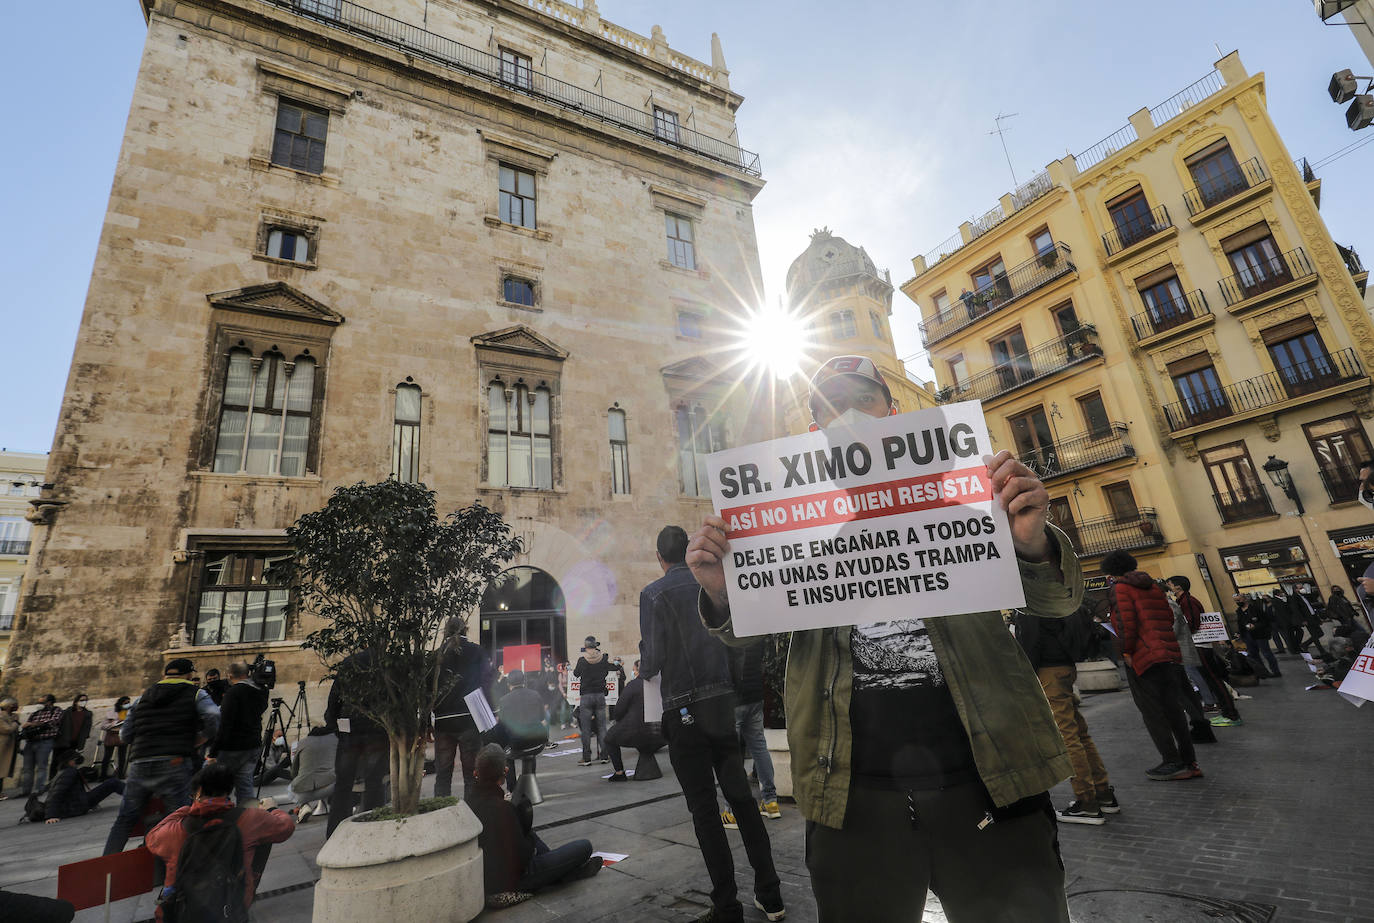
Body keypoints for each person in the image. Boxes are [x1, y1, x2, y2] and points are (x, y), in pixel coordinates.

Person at [691, 355, 1084, 923]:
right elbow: (749, 638)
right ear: (814, 436)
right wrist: (723, 594)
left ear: (895, 413)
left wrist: (1031, 542)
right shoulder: (792, 535)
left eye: (862, 399)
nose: (847, 416)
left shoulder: (971, 507)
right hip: (849, 798)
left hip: (989, 782)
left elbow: (1059, 601)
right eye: (828, 407)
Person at [643, 523, 785, 923]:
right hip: (722, 705)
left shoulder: (654, 594)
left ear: (659, 557)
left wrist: (645, 655)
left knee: (705, 810)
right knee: (741, 798)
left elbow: (652, 658)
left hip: (683, 708)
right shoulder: (714, 585)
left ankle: (726, 905)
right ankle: (771, 895)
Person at [146, 762, 295, 922]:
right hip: (233, 906)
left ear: (199, 791)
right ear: (229, 790)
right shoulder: (250, 818)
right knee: (264, 837)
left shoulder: (176, 830)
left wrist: (184, 809)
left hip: (183, 911)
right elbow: (286, 827)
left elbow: (151, 838)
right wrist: (272, 809)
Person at [103, 658, 221, 855]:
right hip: (174, 760)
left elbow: (125, 734)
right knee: (178, 818)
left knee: (126, 818)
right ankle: (180, 865)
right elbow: (214, 716)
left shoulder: (144, 697)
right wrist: (200, 739)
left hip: (140, 761)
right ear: (189, 675)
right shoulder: (196, 693)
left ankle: (107, 863)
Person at [466, 743, 602, 909]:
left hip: (488, 877)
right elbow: (523, 857)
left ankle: (564, 872)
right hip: (514, 878)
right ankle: (564, 874)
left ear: (476, 773)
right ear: (505, 772)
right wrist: (525, 830)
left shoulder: (469, 802)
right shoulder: (502, 809)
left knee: (532, 836)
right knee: (584, 847)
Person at [1103, 551, 1201, 782]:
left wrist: (1126, 650)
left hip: (1143, 655)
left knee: (1152, 711)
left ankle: (1171, 761)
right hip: (1167, 652)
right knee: (1174, 709)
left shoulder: (1121, 589)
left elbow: (1127, 625)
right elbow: (1168, 617)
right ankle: (1189, 761)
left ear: (1112, 571)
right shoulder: (1154, 587)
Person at [1015, 607, 1118, 825]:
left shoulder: (1030, 607)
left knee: (1067, 737)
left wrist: (1026, 676)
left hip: (1048, 672)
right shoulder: (1054, 600)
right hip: (1065, 667)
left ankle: (1087, 801)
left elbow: (1031, 645)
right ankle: (1103, 793)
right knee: (1080, 734)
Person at [324, 649, 389, 838]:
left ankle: (335, 831)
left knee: (343, 783)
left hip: (350, 728)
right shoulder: (385, 662)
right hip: (376, 729)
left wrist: (333, 722)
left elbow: (334, 697)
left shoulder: (349, 663)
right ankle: (372, 828)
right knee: (374, 782)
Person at [434, 615, 494, 800]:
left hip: (443, 719)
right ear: (465, 629)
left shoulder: (437, 654)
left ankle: (442, 812)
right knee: (471, 773)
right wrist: (491, 711)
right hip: (470, 716)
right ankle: (472, 812)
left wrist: (426, 722)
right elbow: (487, 681)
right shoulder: (477, 651)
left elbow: (430, 687)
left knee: (443, 773)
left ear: (446, 631)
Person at [1169, 576, 1242, 728]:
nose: (1168, 587)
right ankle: (1225, 712)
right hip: (1197, 644)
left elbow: (1193, 623)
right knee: (1210, 679)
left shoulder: (1188, 601)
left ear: (1178, 587)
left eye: (1170, 585)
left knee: (1214, 679)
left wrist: (1181, 633)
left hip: (1200, 645)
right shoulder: (1184, 601)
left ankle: (1232, 715)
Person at [722, 640, 780, 823]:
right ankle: (771, 802)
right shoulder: (753, 629)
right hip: (755, 695)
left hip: (734, 698)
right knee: (759, 748)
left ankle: (731, 811)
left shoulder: (726, 631)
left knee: (731, 753)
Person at [206, 661, 269, 804]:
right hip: (252, 744)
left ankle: (221, 815)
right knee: (245, 784)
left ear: (229, 675)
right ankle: (247, 818)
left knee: (219, 785)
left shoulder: (233, 692)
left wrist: (213, 752)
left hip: (233, 747)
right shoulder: (260, 691)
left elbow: (226, 723)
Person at [604, 660, 666, 782]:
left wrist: (621, 720)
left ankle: (619, 772)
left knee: (608, 738)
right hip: (662, 732)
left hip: (636, 731)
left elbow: (618, 711)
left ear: (639, 670)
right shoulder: (661, 684)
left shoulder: (633, 685)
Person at [494, 669, 549, 792]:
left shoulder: (504, 700)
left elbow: (502, 726)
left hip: (518, 744)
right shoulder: (535, 694)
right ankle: (530, 781)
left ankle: (512, 789)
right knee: (530, 751)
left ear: (509, 684)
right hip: (539, 742)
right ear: (524, 681)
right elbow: (542, 717)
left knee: (507, 755)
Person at [573, 636, 624, 766]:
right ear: (595, 646)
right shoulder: (603, 659)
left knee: (586, 729)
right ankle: (605, 755)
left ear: (586, 647)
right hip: (600, 695)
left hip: (586, 696)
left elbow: (576, 674)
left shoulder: (582, 660)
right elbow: (613, 667)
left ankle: (586, 757)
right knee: (602, 727)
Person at [43, 750, 125, 823]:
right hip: (76, 807)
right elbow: (56, 794)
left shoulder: (62, 772)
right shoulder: (69, 773)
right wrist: (51, 815)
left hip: (76, 803)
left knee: (111, 783)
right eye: (76, 760)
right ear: (70, 761)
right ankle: (134, 795)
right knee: (113, 783)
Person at [289, 725, 336, 823]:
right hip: (330, 787)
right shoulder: (335, 740)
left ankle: (304, 806)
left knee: (290, 789)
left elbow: (293, 772)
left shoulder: (301, 743)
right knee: (332, 777)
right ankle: (331, 804)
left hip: (302, 793)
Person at [19, 694, 63, 797]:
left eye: (42, 702)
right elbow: (27, 724)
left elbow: (53, 722)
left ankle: (39, 789)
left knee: (41, 767)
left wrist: (33, 724)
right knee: (27, 768)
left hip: (45, 742)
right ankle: (26, 791)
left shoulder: (56, 710)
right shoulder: (35, 713)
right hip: (31, 742)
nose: (39, 704)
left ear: (49, 702)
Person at [52, 694, 93, 778]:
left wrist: (82, 742)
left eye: (85, 700)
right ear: (76, 701)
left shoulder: (88, 714)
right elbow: (58, 723)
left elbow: (86, 729)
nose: (83, 702)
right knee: (56, 762)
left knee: (69, 763)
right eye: (81, 700)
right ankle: (52, 780)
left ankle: (64, 780)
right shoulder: (68, 711)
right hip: (62, 741)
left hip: (74, 743)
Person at [1239, 596, 1281, 677]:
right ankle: (1262, 672)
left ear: (1245, 599)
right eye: (1236, 600)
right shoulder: (1239, 611)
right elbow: (1240, 624)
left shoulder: (1255, 609)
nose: (1238, 602)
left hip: (1259, 635)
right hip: (1248, 636)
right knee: (1254, 655)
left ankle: (1276, 671)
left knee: (1266, 653)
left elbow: (1265, 621)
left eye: (1239, 600)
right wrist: (1240, 634)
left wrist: (1255, 626)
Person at [98, 696, 132, 781]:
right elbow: (103, 726)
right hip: (112, 736)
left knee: (122, 757)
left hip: (123, 735)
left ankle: (121, 774)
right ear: (120, 703)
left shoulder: (129, 712)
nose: (127, 704)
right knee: (107, 756)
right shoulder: (111, 712)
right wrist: (114, 724)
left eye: (128, 702)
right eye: (125, 703)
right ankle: (103, 775)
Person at [0, 698, 20, 801]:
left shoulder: (11, 716)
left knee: (2, 772)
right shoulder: (1, 716)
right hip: (2, 748)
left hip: (7, 748)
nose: (16, 707)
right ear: (9, 706)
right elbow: (7, 729)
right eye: (14, 705)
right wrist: (15, 722)